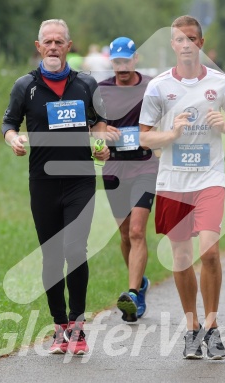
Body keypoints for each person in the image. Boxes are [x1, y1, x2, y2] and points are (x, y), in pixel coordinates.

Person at [139, 15, 225, 360]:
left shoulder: (221, 84)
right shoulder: (158, 87)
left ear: (200, 44)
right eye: (178, 39)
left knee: (210, 252)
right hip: (172, 182)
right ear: (172, 45)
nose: (185, 44)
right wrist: (170, 134)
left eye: (191, 38)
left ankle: (212, 327)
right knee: (182, 258)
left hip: (209, 178)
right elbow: (143, 135)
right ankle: (191, 328)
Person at [1, 19, 109, 355]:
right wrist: (13, 139)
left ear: (68, 46)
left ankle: (77, 327)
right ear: (38, 47)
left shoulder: (87, 84)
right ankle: (59, 326)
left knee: (75, 250)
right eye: (47, 41)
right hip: (44, 182)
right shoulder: (25, 86)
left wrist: (102, 143)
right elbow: (8, 122)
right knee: (51, 255)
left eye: (58, 41)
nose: (52, 46)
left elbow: (100, 122)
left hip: (80, 179)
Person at [97, 37, 158, 323]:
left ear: (135, 60)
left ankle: (132, 293)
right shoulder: (101, 90)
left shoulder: (151, 87)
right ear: (112, 62)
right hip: (114, 169)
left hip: (145, 167)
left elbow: (163, 119)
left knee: (136, 232)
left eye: (126, 61)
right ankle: (141, 284)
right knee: (124, 235)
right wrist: (101, 131)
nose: (122, 67)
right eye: (117, 61)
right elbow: (92, 127)